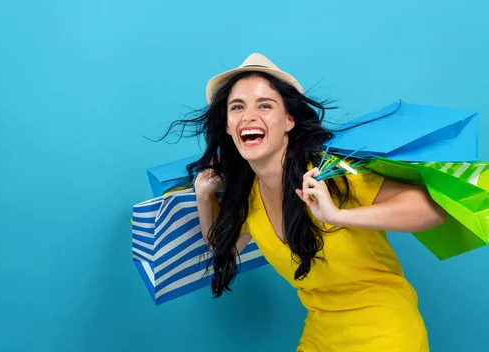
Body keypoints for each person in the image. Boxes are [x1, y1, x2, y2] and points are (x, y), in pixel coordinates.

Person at [161, 53, 446, 351]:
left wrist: (338, 216)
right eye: (237, 107)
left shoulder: (327, 174)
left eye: (265, 105)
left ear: (288, 120)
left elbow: (433, 210)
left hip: (385, 331)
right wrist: (203, 196)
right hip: (320, 333)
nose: (249, 116)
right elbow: (223, 247)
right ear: (230, 127)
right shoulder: (250, 196)